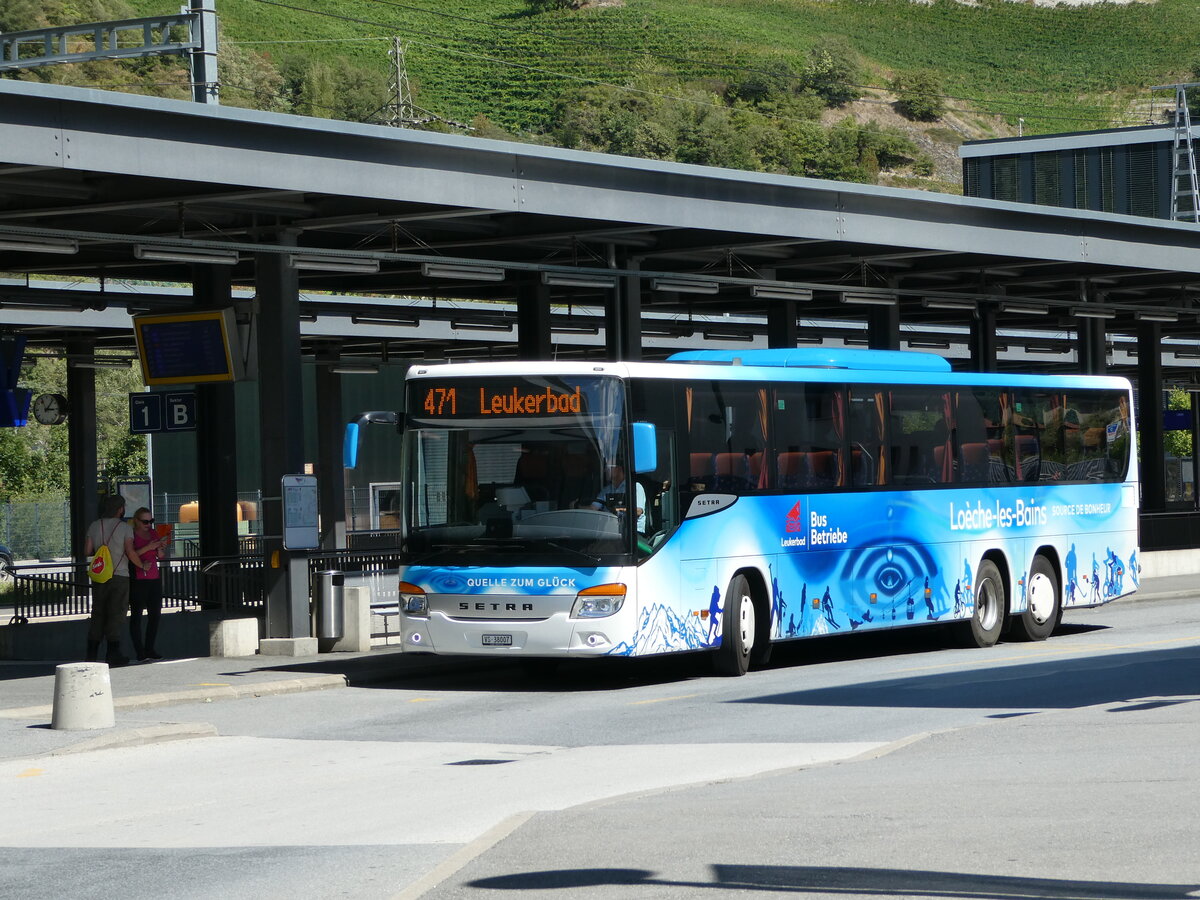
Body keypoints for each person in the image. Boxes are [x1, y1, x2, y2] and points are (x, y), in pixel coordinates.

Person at [83, 495, 143, 667]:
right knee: (116, 613)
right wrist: (142, 565)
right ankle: (113, 653)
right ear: (120, 509)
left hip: (100, 576)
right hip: (119, 575)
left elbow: (87, 551)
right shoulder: (125, 528)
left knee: (98, 612)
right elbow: (130, 551)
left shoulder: (94, 525)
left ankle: (91, 654)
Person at [129, 507, 168, 661]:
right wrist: (148, 547)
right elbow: (130, 554)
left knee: (155, 615)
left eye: (151, 521)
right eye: (145, 521)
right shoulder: (131, 534)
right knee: (137, 615)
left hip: (154, 577)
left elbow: (161, 556)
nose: (148, 524)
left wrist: (160, 548)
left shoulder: (153, 533)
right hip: (138, 578)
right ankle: (140, 651)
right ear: (137, 521)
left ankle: (149, 648)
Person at [593, 463, 646, 532]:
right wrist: (579, 507)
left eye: (608, 467)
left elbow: (638, 511)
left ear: (619, 469)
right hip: (610, 531)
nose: (605, 470)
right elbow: (594, 507)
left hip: (632, 533)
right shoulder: (606, 490)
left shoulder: (635, 487)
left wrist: (617, 509)